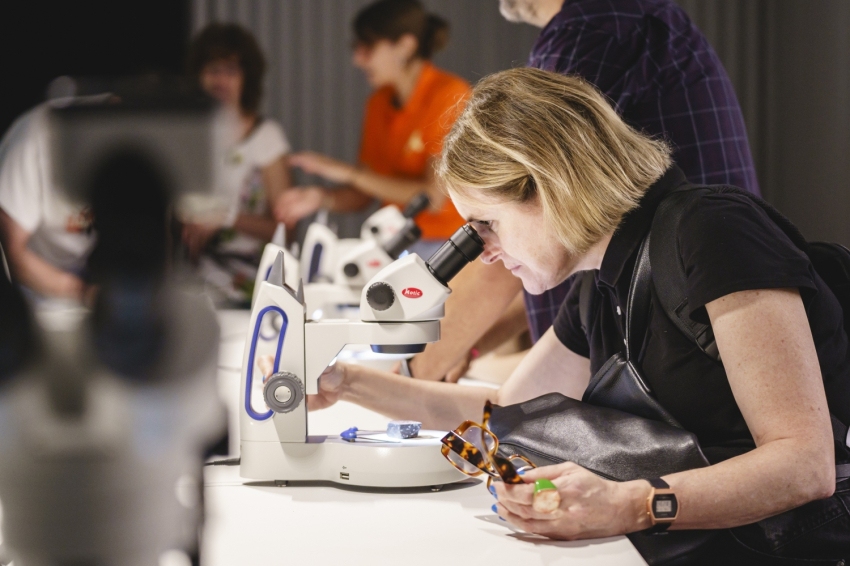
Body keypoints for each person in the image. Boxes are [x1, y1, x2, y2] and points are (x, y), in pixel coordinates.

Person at [311, 68, 850, 561]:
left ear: (547, 186)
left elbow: (802, 464)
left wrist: (631, 505)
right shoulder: (602, 281)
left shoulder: (711, 233)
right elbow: (502, 411)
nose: (487, 254)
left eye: (487, 225)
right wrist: (344, 381)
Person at [409, 0, 761, 381]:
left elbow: (520, 224)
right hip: (674, 333)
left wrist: (415, 368)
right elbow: (534, 251)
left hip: (696, 347)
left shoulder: (595, 26)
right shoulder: (615, 20)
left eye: (485, 224)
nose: (487, 248)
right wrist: (469, 347)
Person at [274, 0, 470, 257]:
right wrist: (320, 197)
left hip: (450, 246)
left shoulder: (451, 96)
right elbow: (366, 192)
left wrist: (348, 173)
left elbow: (433, 198)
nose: (357, 59)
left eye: (367, 47)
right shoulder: (378, 103)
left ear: (405, 46)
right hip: (395, 241)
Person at [185, 23, 292, 306]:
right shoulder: (185, 134)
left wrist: (226, 217)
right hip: (189, 277)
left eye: (231, 71)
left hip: (247, 278)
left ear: (247, 78)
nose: (220, 80)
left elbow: (286, 230)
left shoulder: (265, 135)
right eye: (212, 70)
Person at [0, 105, 94, 301]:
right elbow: (14, 254)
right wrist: (86, 294)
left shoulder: (163, 129)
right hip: (35, 283)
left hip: (103, 272)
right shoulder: (35, 138)